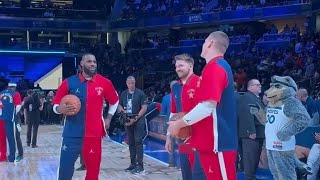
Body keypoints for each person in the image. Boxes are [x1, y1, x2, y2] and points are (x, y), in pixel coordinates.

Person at [168, 31, 237, 179]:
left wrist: (180, 123)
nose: (203, 44)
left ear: (211, 43)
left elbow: (208, 106)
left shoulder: (215, 67)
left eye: (205, 41)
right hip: (210, 143)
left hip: (219, 143)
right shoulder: (214, 67)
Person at [52, 53, 119, 180]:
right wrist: (60, 109)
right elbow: (55, 104)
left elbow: (115, 101)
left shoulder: (104, 82)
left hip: (94, 134)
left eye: (94, 61)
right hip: (72, 133)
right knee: (65, 169)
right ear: (82, 64)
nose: (93, 64)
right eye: (89, 61)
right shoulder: (69, 82)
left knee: (93, 172)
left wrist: (108, 118)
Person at [165, 53, 200, 179]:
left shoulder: (200, 82)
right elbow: (173, 113)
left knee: (199, 173)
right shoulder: (175, 87)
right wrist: (169, 137)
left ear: (190, 66)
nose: (177, 68)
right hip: (183, 136)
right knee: (186, 171)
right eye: (176, 66)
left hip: (199, 137)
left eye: (181, 65)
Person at [118, 76, 148, 174]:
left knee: (138, 142)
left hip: (138, 120)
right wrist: (123, 111)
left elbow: (144, 108)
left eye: (133, 83)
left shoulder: (140, 93)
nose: (131, 85)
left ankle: (140, 165)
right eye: (129, 83)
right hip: (128, 119)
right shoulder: (123, 94)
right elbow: (119, 105)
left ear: (135, 83)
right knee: (130, 142)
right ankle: (132, 164)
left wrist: (135, 118)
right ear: (126, 84)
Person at [237, 79, 265, 180]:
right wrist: (250, 131)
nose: (260, 86)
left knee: (254, 158)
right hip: (252, 134)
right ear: (251, 87)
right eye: (257, 85)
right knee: (250, 159)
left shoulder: (254, 98)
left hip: (258, 133)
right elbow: (246, 114)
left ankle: (251, 177)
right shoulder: (247, 97)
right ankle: (249, 178)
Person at [0, 82, 22, 162]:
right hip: (10, 119)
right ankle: (11, 157)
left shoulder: (1, 93)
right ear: (14, 87)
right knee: (11, 138)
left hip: (1, 118)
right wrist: (15, 115)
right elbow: (18, 106)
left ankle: (2, 155)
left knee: (1, 139)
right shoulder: (15, 94)